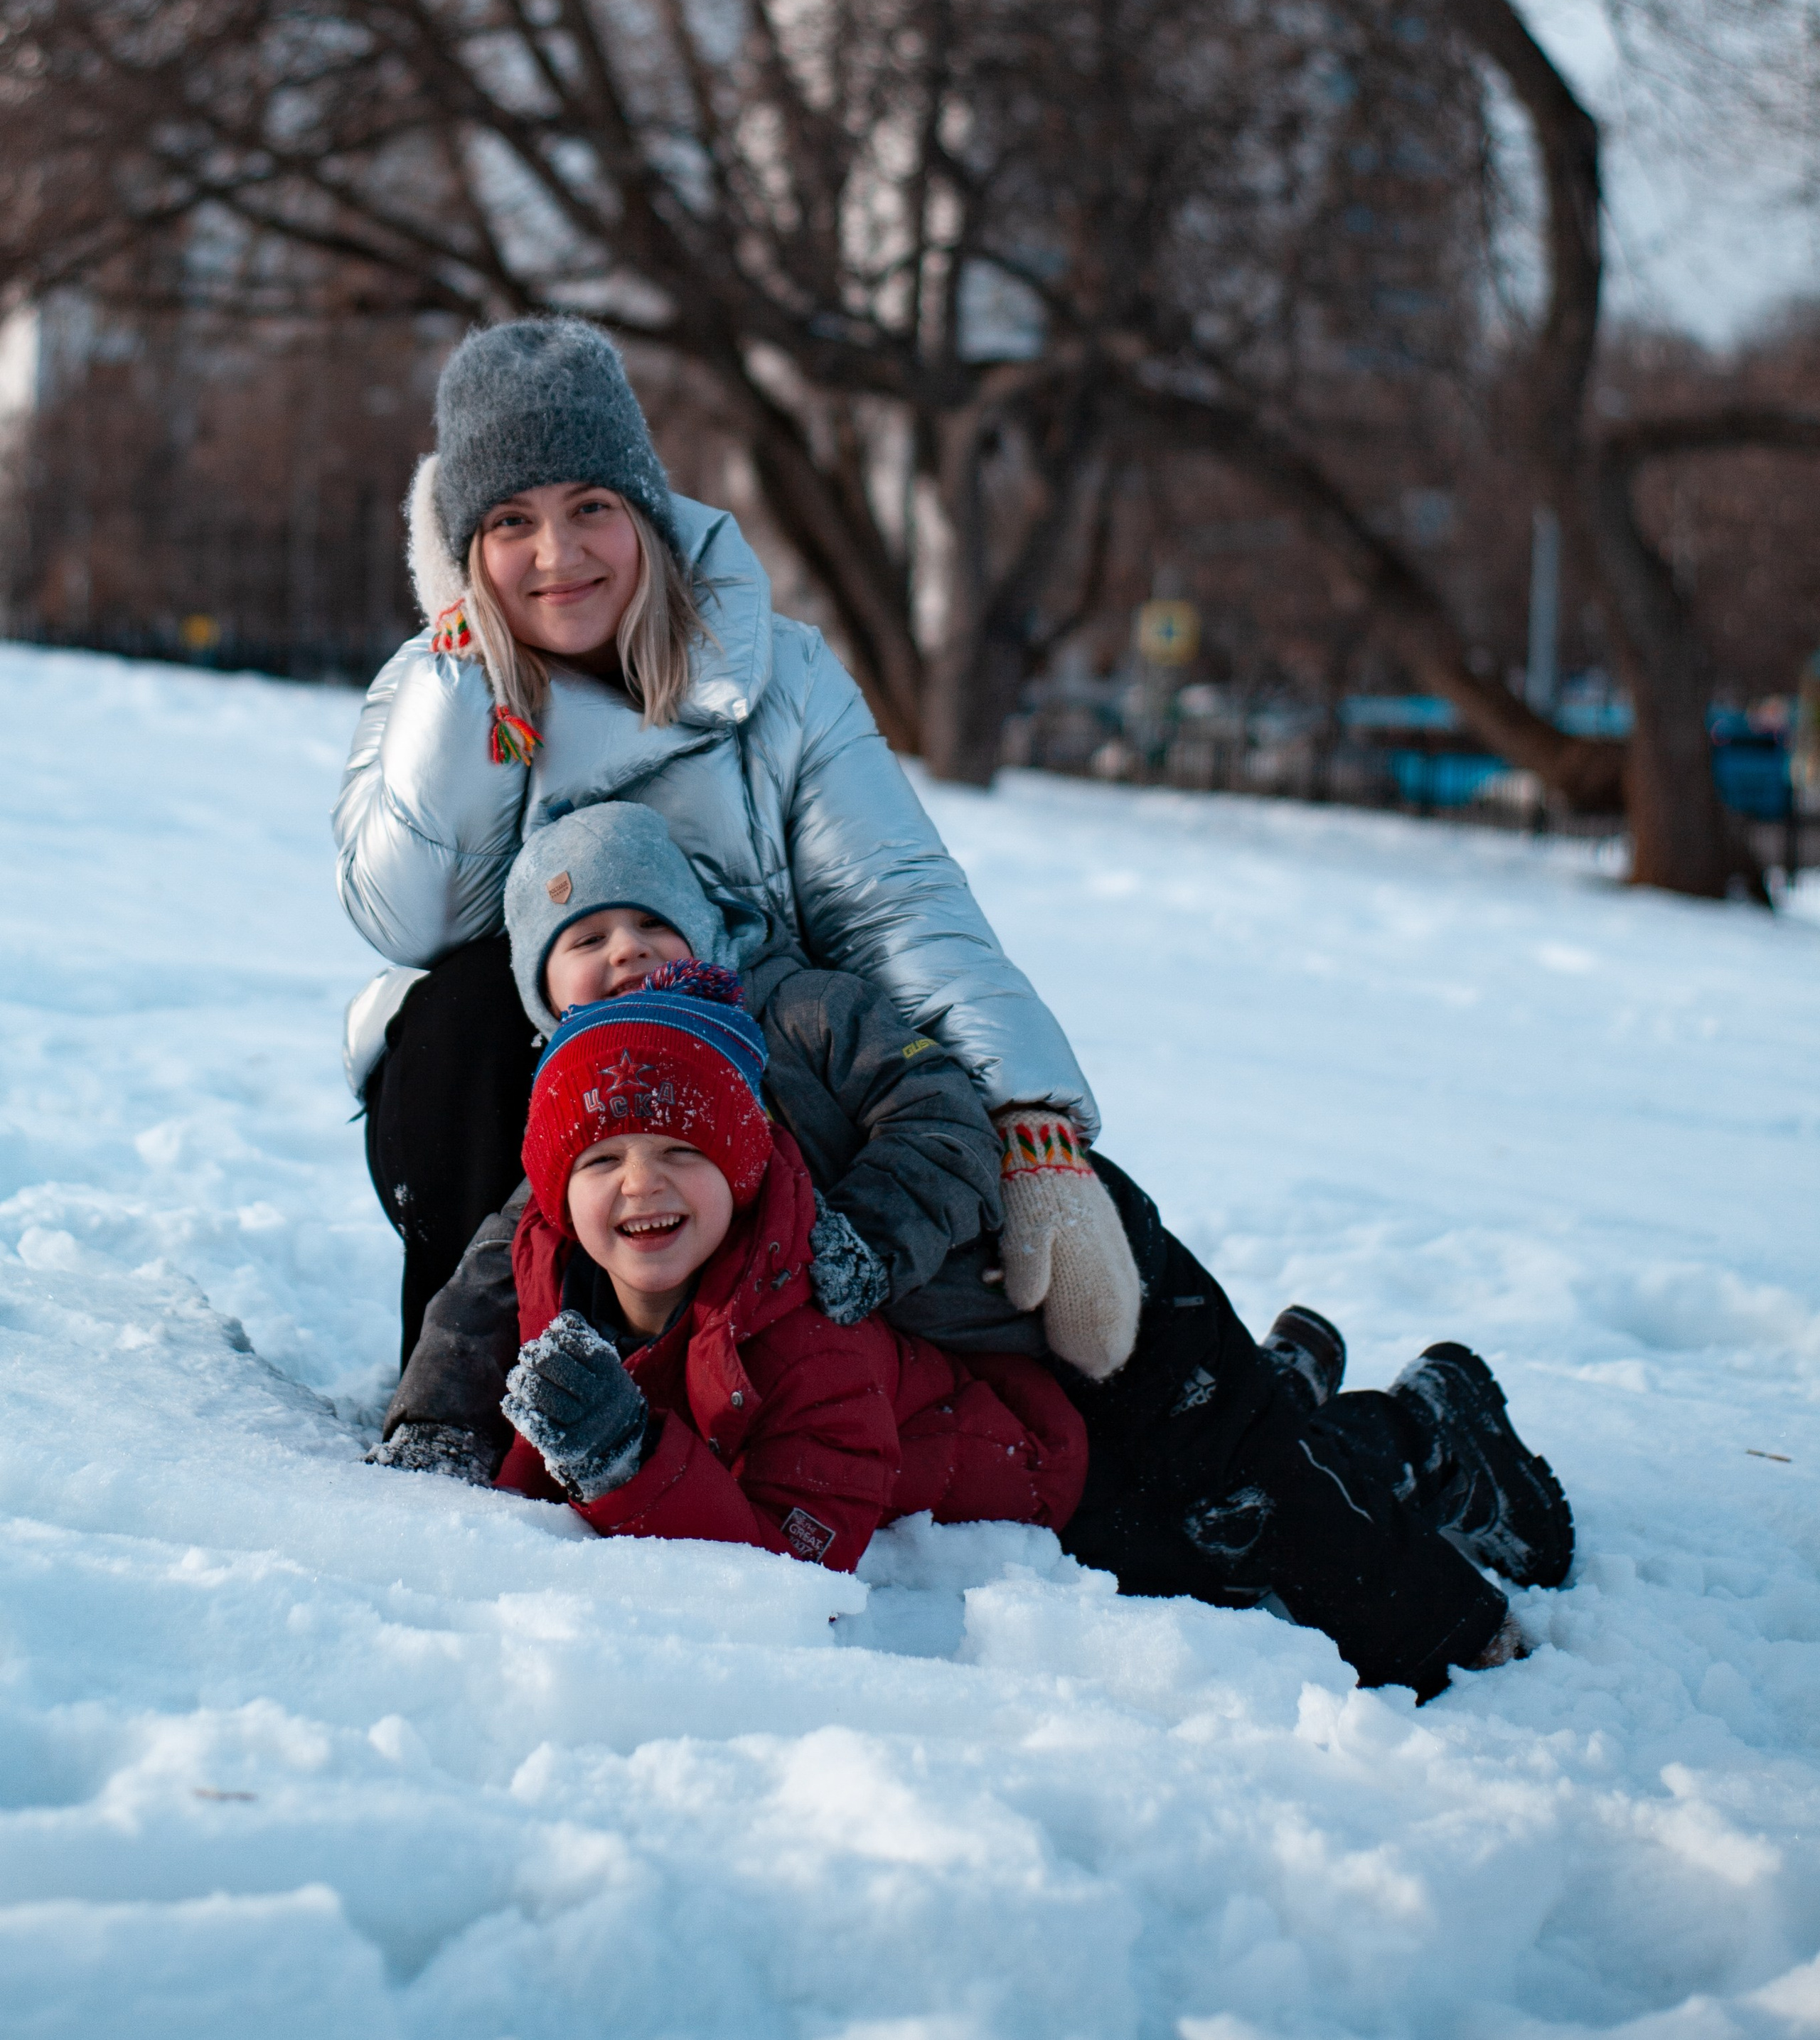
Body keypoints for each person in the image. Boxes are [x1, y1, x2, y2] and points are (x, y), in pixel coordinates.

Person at [375, 804, 1574, 1701]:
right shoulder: (575, 1128)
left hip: (1053, 1278)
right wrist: (434, 1419)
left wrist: (871, 1240)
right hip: (961, 1371)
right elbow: (494, 1276)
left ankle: (1442, 1541)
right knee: (1199, 1497)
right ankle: (1324, 1396)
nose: (629, 948)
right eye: (589, 933)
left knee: (1241, 1477)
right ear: (543, 985)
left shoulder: (796, 1017)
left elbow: (937, 1114)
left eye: (652, 919)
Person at [336, 316, 1139, 1372]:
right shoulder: (428, 690)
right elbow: (409, 920)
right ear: (464, 547)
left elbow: (896, 902)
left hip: (775, 1075)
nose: (557, 555)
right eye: (510, 523)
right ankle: (466, 1386)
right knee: (454, 1013)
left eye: (591, 508)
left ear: (646, 515)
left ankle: (1279, 1439)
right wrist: (463, 683)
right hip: (548, 1115)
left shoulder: (781, 676)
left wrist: (1030, 1112)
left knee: (1094, 1224)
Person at [483, 960, 1087, 1568]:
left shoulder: (810, 1339)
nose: (641, 1183)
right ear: (556, 1193)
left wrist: (625, 1464)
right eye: (602, 1161)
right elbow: (542, 1459)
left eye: (681, 1150)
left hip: (1017, 1463)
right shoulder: (554, 1274)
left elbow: (793, 1572)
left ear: (743, 1171)